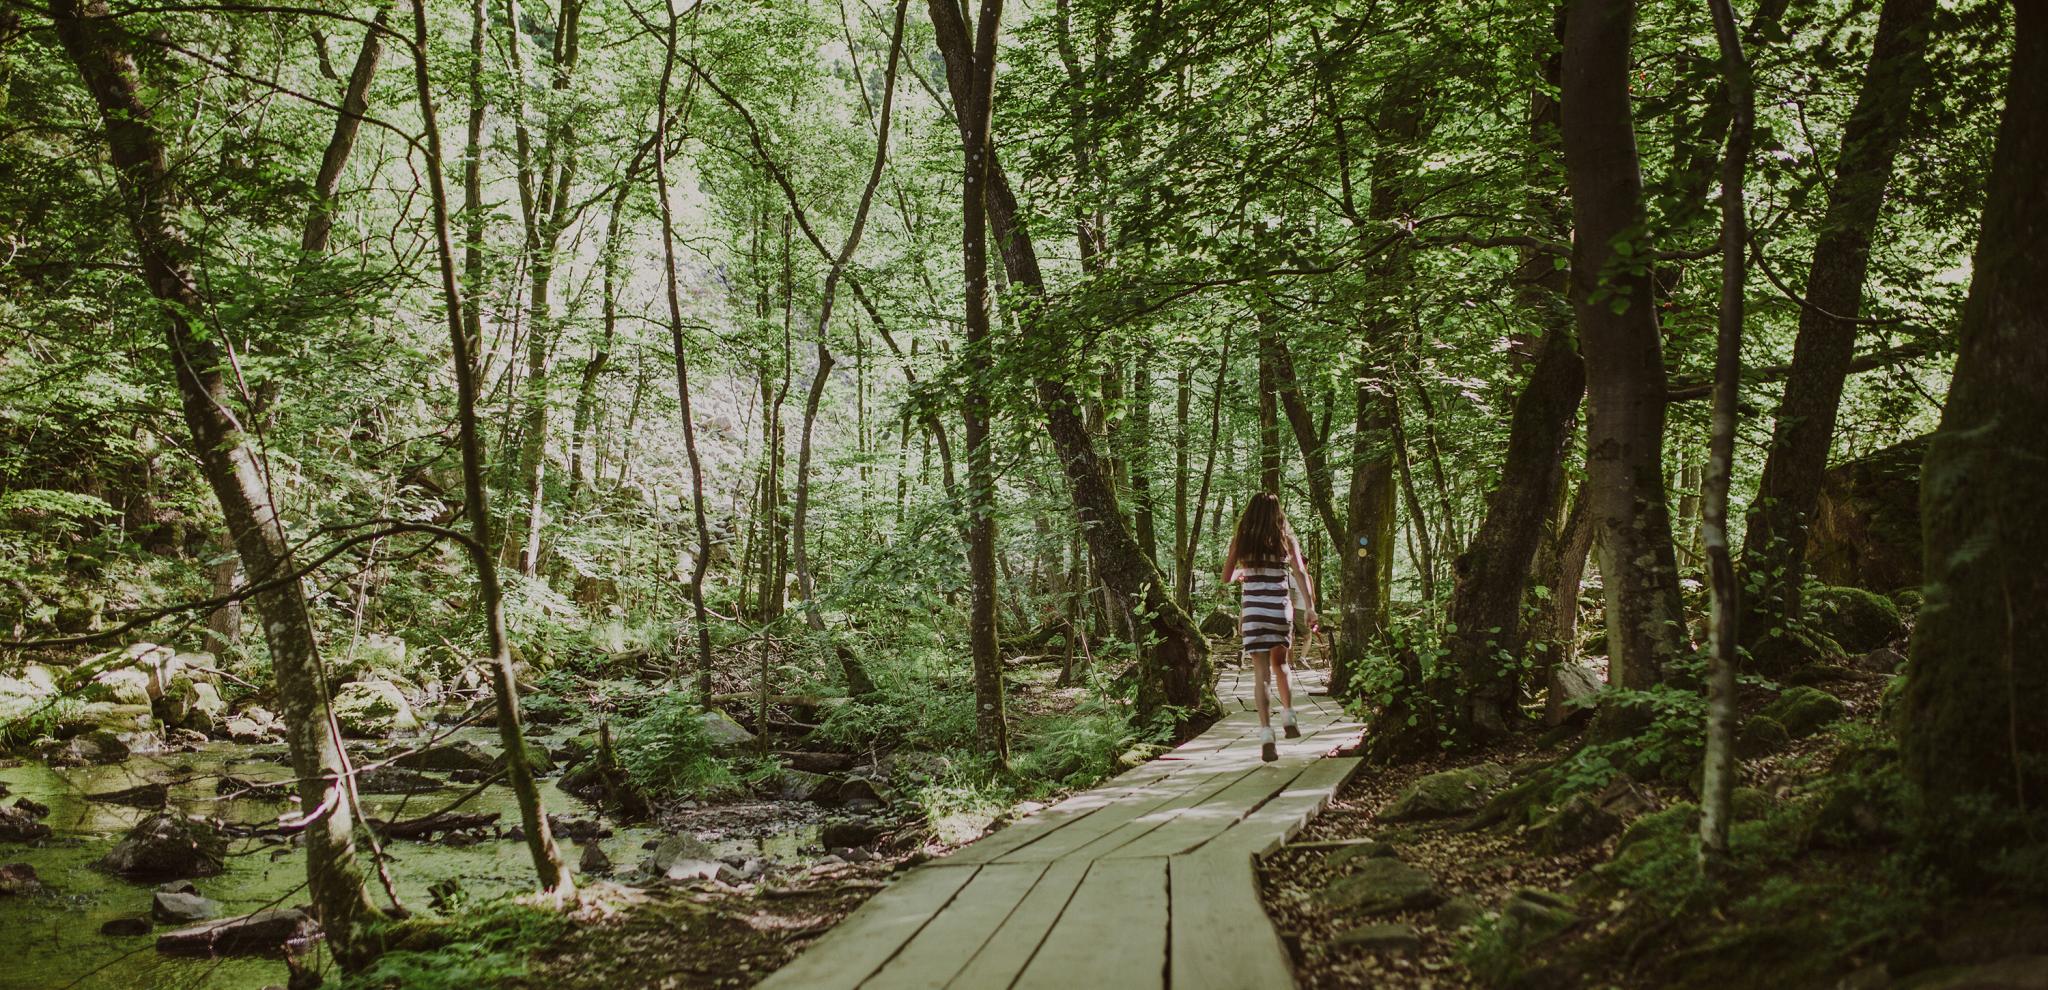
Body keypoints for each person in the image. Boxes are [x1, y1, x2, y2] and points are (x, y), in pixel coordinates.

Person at [1220, 491, 1318, 762]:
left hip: (1253, 613)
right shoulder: (1286, 540)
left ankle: (1266, 733)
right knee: (1281, 666)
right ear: (1278, 514)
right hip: (1278, 611)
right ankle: (1288, 715)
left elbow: (1226, 577)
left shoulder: (1241, 541)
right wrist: (1309, 607)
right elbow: (1300, 573)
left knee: (1261, 675)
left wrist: (1244, 573)